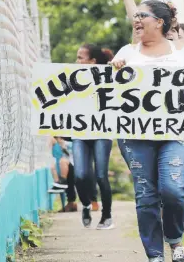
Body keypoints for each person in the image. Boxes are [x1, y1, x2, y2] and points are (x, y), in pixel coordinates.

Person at [111, 0, 184, 262]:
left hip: (178, 134)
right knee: (145, 193)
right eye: (135, 14)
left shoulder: (183, 53)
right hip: (136, 136)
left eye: (142, 15)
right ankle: (155, 255)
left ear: (159, 23)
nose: (136, 19)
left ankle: (174, 240)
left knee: (173, 189)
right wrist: (114, 70)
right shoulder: (127, 52)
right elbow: (108, 92)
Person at [73, 44, 114, 230]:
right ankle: (87, 204)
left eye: (81, 58)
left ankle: (106, 216)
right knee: (80, 175)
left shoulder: (108, 80)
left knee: (100, 176)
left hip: (101, 132)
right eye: (77, 57)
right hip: (80, 133)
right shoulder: (70, 79)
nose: (77, 61)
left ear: (93, 62)